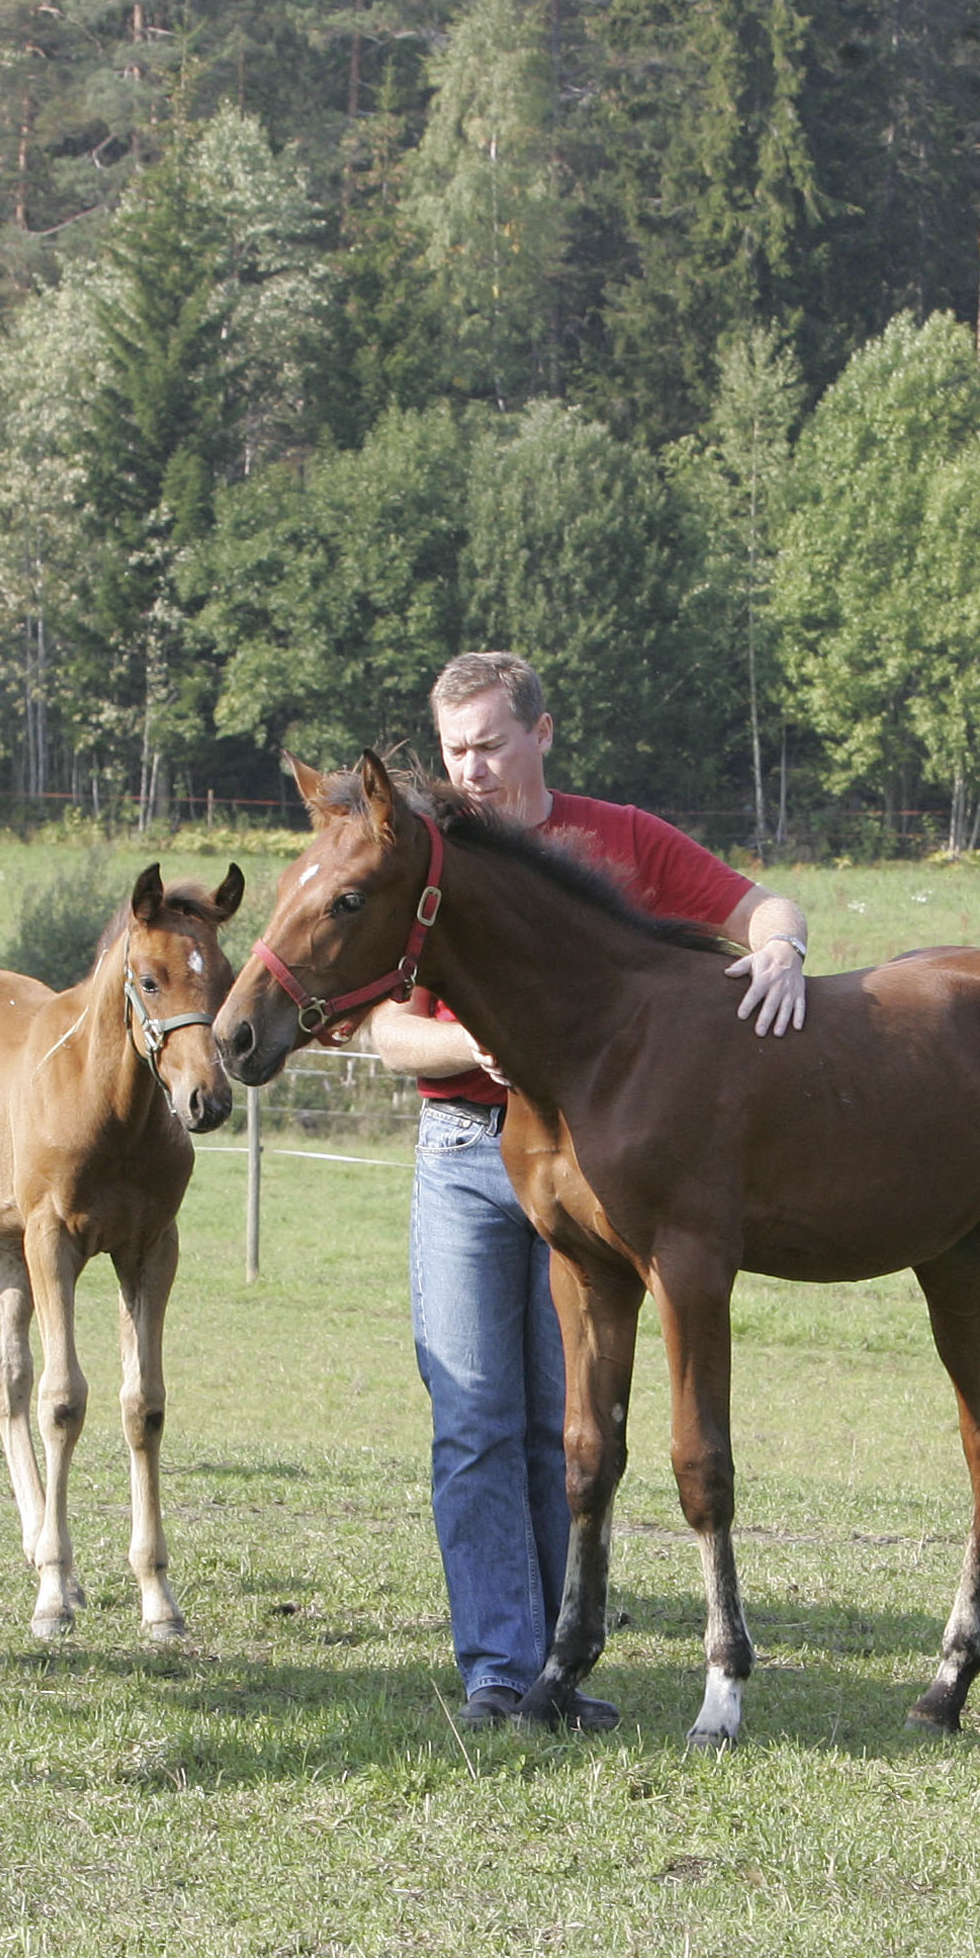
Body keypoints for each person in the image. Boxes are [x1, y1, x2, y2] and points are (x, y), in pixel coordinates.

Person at [369, 652, 811, 1729]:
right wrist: (474, 1042)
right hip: (468, 1150)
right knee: (474, 1419)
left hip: (603, 1162)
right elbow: (387, 1030)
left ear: (541, 733)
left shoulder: (620, 841)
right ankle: (499, 1669)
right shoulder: (433, 860)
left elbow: (762, 905)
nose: (470, 769)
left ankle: (556, 1669)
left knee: (563, 1425)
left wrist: (783, 949)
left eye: (489, 744)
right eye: (455, 749)